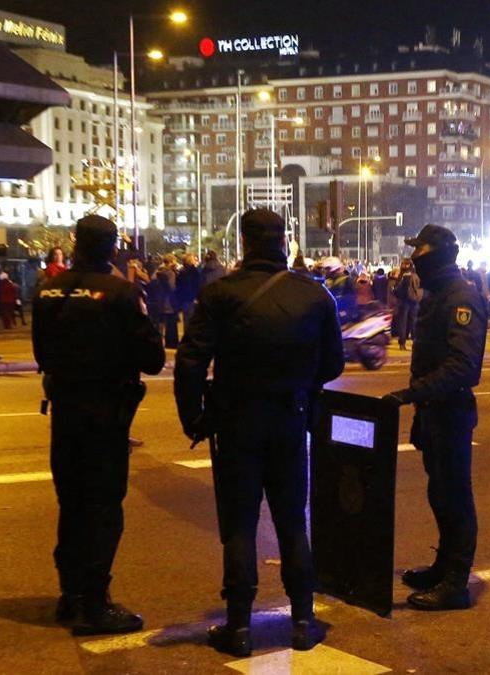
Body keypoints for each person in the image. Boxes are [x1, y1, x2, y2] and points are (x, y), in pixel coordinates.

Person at [174, 209, 344, 655]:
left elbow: (190, 361)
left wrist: (194, 418)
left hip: (236, 422)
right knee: (292, 520)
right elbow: (334, 365)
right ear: (283, 240)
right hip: (290, 420)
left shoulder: (221, 294)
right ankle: (304, 619)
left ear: (246, 242)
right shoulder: (314, 295)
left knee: (240, 524)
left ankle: (240, 626)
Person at [31, 215, 165, 636]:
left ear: (75, 244)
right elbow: (153, 359)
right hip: (106, 414)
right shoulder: (121, 293)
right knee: (104, 508)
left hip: (65, 411)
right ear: (111, 248)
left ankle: (69, 594)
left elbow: (41, 352)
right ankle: (95, 603)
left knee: (70, 504)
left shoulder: (46, 289)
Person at [383, 224, 487, 611]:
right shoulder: (437, 293)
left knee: (456, 496)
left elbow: (463, 367)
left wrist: (412, 394)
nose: (414, 257)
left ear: (439, 254)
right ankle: (442, 566)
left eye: (420, 250)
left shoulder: (462, 297)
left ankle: (456, 583)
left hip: (451, 411)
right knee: (439, 493)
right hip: (432, 411)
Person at [393, 258, 422, 349]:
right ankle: (415, 341)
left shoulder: (402, 276)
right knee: (413, 321)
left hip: (404, 301)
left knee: (403, 322)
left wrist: (394, 291)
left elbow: (397, 290)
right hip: (414, 301)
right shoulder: (416, 275)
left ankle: (402, 342)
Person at [176, 252, 203, 325]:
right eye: (194, 259)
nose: (195, 260)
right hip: (192, 299)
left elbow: (178, 286)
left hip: (184, 300)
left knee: (186, 321)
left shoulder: (181, 272)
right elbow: (198, 285)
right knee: (193, 322)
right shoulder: (194, 272)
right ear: (191, 260)